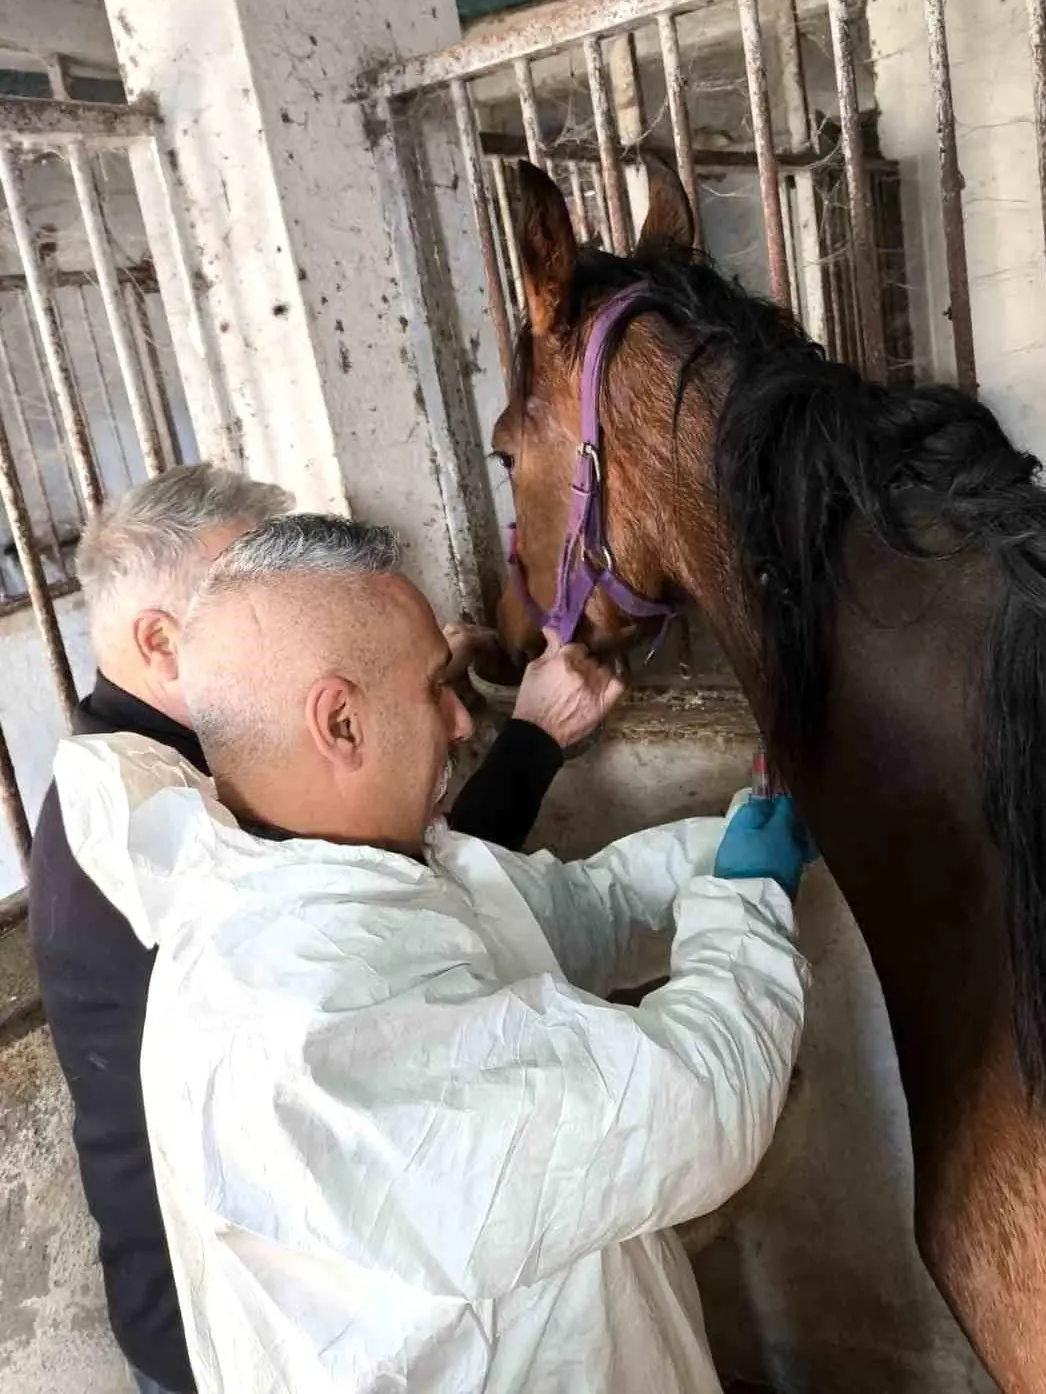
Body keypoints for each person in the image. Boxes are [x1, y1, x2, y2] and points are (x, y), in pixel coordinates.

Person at [53, 513, 812, 1394]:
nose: (459, 721)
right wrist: (748, 899)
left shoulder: (346, 867)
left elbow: (571, 913)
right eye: (434, 688)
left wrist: (728, 845)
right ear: (340, 723)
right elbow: (698, 1102)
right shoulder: (305, 1021)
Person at [28, 467, 620, 1394]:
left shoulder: (150, 762)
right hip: (231, 1330)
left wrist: (404, 667)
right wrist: (531, 738)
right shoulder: (145, 814)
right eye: (252, 585)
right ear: (160, 641)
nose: (289, 600)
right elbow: (398, 897)